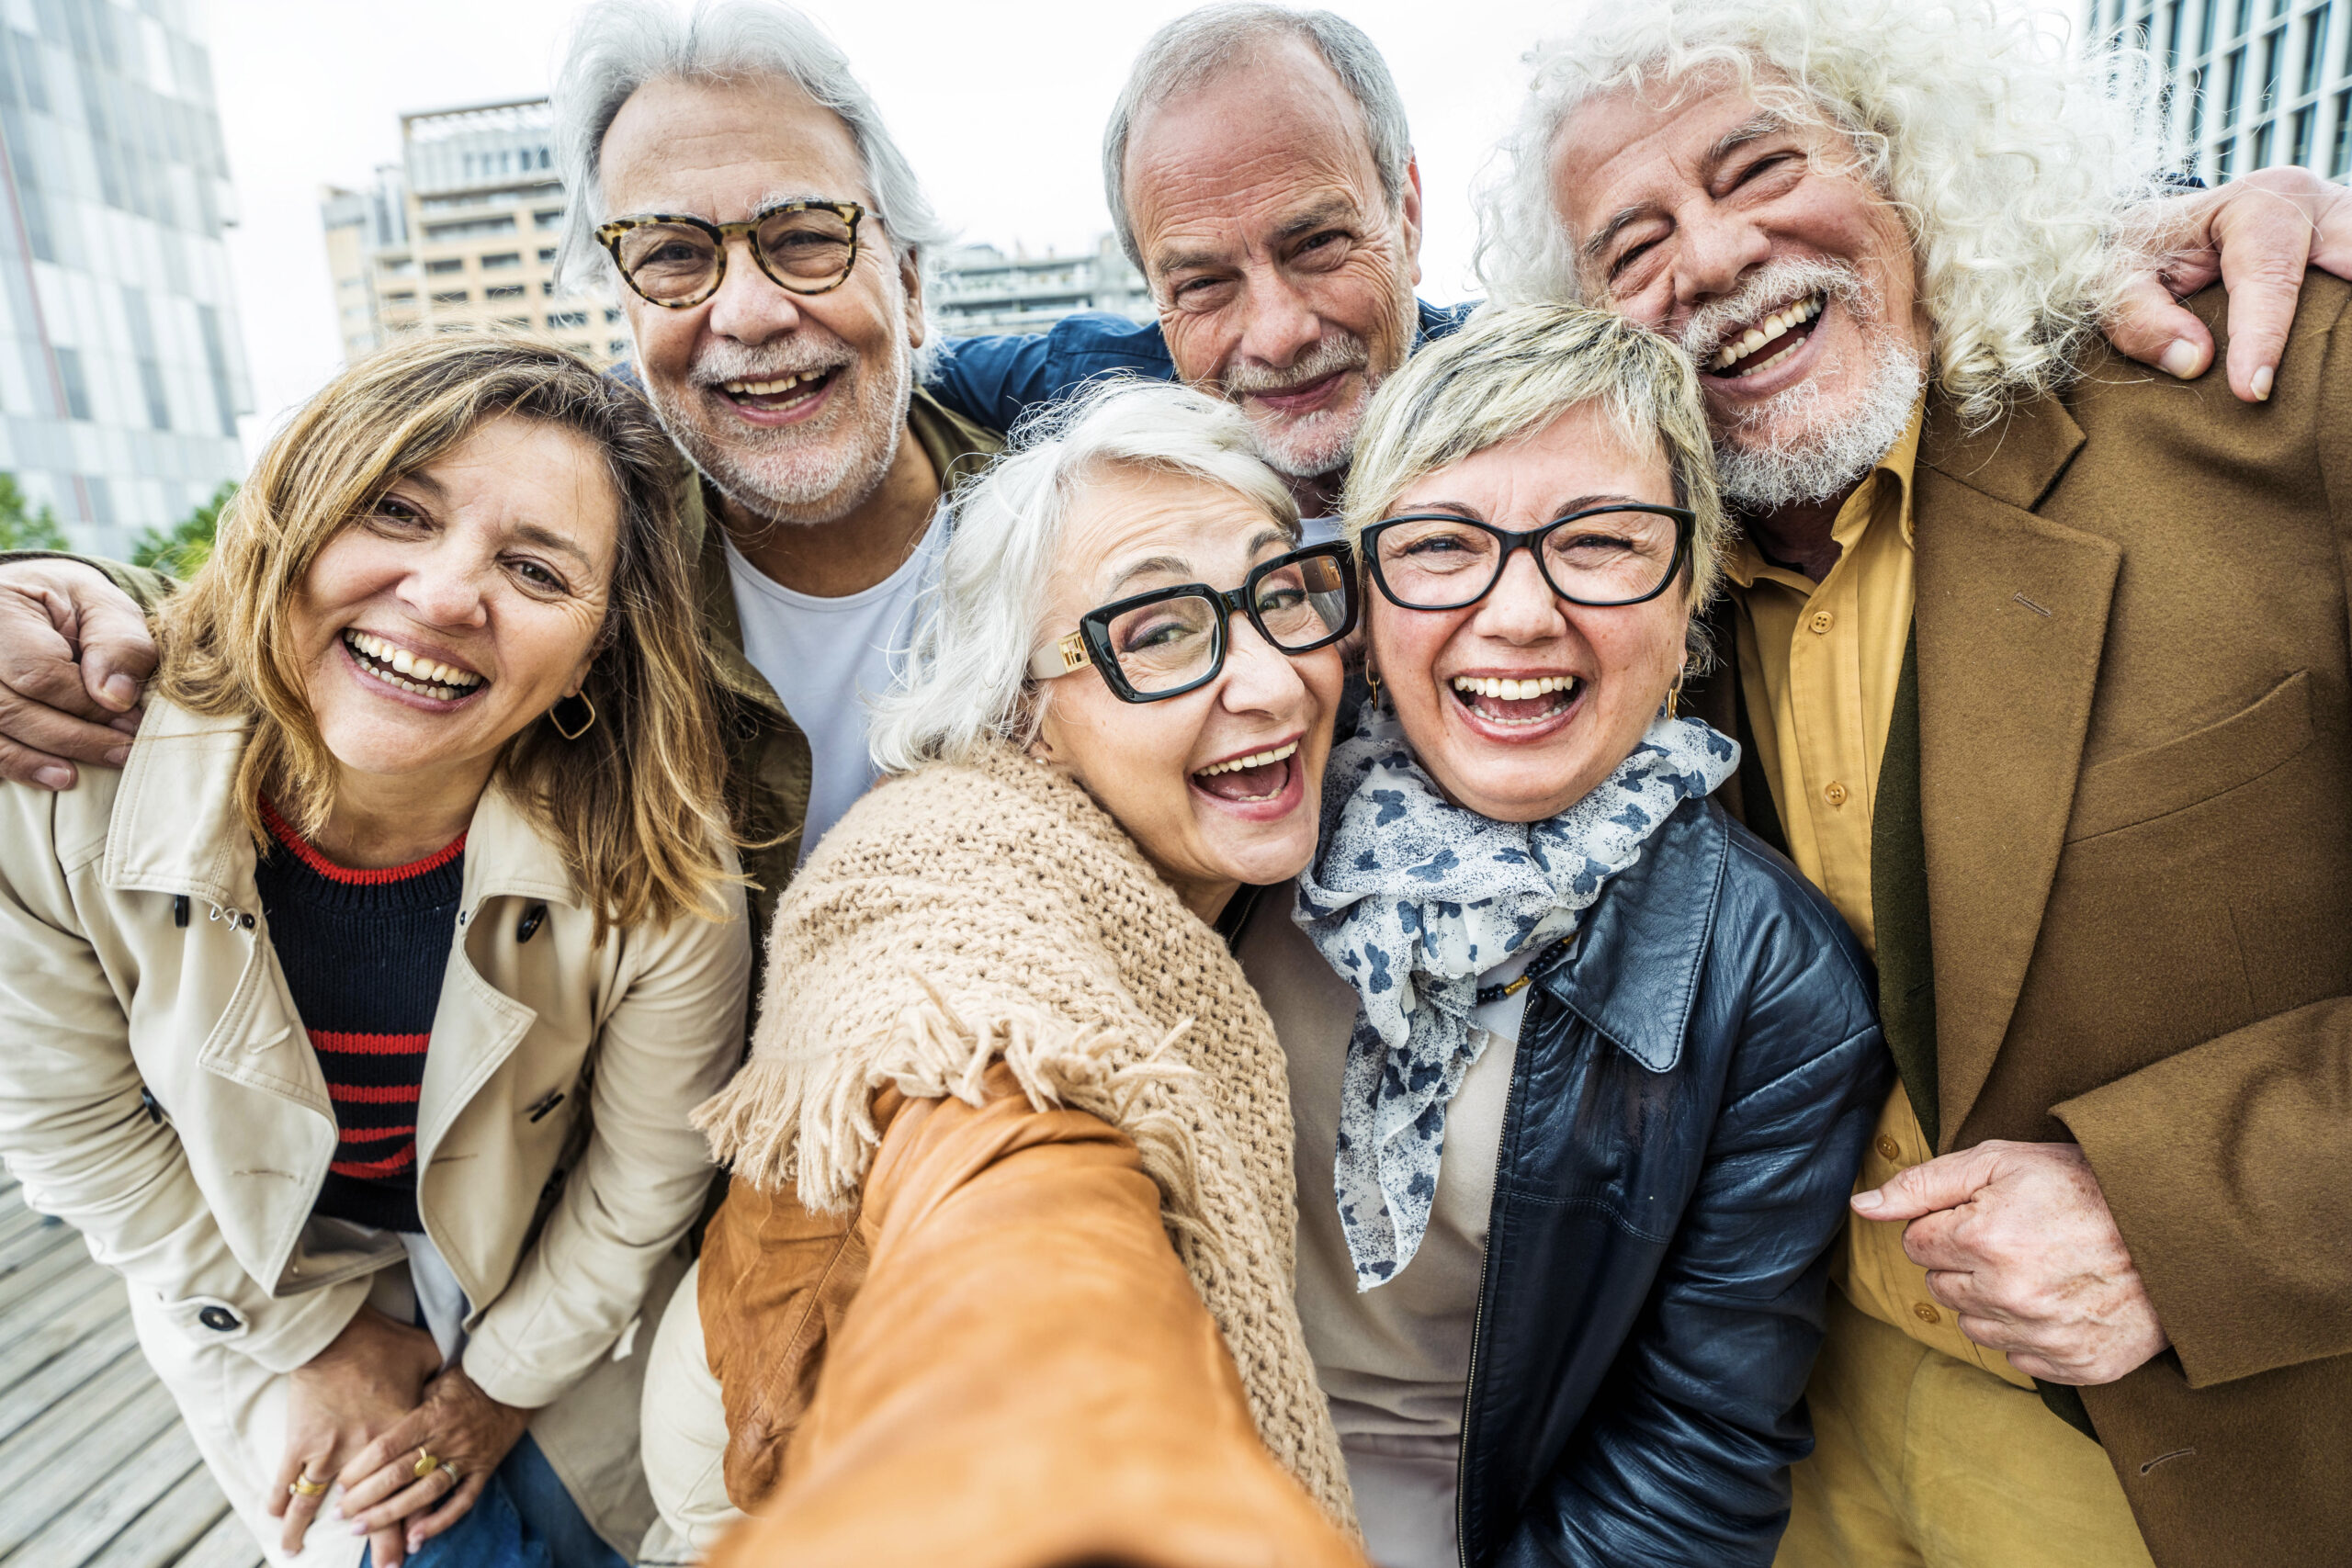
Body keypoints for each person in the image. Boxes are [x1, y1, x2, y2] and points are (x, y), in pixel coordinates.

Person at [1483, 2, 2352, 1563]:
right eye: (1633, 248)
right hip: (1792, 1460)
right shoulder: (1626, 609)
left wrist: (2188, 1213)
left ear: (1917, 170)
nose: (1714, 258)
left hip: (2212, 1460)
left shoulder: (2278, 395)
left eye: (1761, 168)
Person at [0, 0, 1002, 930]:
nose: (744, 312)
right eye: (671, 257)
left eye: (803, 238)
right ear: (625, 308)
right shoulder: (591, 521)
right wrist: (61, 592)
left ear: (909, 286)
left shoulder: (1078, 512)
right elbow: (290, 604)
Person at [0, 334, 752, 1568]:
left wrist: (499, 1381)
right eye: (395, 510)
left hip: (539, 1264)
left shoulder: (661, 863)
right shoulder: (57, 785)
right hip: (241, 1250)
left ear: (596, 653)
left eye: (536, 567)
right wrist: (310, 1334)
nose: (449, 593)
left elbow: (640, 1183)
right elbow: (71, 1124)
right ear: (290, 523)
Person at [640, 378, 1366, 1565]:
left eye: (1280, 593)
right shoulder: (947, 868)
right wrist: (1063, 1422)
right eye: (1162, 630)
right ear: (1024, 708)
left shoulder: (1225, 862)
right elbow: (995, 1159)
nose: (1275, 680)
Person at [1220, 302, 1888, 1568]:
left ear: (1692, 582)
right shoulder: (1238, 820)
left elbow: (1688, 1466)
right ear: (1361, 587)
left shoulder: (1775, 988)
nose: (1519, 614)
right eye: (1439, 546)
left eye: (1600, 541)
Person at [926, 3, 2352, 524]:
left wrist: (2182, 211)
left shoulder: (1552, 397)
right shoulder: (1082, 395)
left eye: (1316, 243)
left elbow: (1930, 234)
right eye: (1203, 282)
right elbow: (868, 393)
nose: (1278, 328)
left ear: (1407, 210)